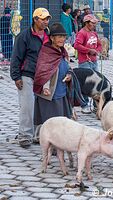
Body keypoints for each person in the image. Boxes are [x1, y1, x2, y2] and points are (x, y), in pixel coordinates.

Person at [10, 8, 51, 147]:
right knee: (27, 107)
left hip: (43, 75)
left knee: (41, 107)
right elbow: (15, 57)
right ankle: (25, 136)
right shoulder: (24, 36)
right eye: (43, 19)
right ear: (35, 19)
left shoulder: (48, 35)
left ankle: (38, 135)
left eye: (47, 19)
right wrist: (16, 77)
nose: (46, 22)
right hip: (27, 74)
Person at [33, 23, 72, 128]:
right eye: (59, 37)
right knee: (51, 121)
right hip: (50, 93)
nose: (62, 39)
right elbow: (43, 71)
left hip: (61, 91)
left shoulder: (62, 51)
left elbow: (67, 66)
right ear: (52, 38)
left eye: (64, 37)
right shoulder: (47, 52)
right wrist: (45, 87)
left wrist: (69, 74)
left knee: (61, 120)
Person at [74, 14, 102, 114]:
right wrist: (88, 50)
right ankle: (84, 105)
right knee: (85, 84)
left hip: (94, 61)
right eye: (92, 23)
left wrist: (97, 50)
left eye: (95, 23)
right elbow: (76, 45)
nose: (94, 25)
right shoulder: (81, 33)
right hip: (85, 62)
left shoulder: (94, 33)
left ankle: (96, 105)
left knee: (96, 83)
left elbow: (99, 45)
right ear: (86, 23)